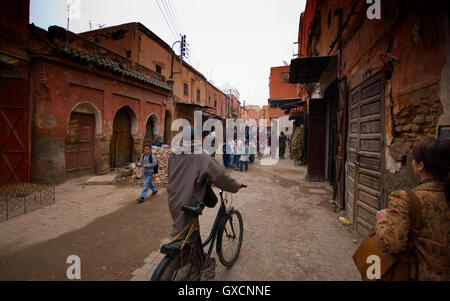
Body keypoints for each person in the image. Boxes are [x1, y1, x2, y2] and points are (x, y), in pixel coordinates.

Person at [375, 138, 450, 281]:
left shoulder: (405, 199)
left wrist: (382, 221)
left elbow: (393, 244)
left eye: (414, 160)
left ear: (420, 165)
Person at [167, 127, 243, 238]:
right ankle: (185, 254)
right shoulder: (201, 156)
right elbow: (220, 176)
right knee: (185, 237)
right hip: (189, 200)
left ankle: (190, 253)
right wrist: (236, 185)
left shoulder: (173, 154)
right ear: (197, 138)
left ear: (182, 138)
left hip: (173, 197)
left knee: (183, 231)